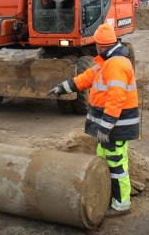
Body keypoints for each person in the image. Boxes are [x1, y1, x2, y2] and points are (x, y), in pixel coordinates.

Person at [48, 23, 139, 216]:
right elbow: (85, 78)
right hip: (110, 126)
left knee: (116, 165)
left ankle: (122, 204)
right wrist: (63, 87)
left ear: (101, 45)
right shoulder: (105, 62)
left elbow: (116, 99)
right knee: (104, 160)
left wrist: (105, 128)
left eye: (96, 44)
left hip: (117, 127)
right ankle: (111, 196)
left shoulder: (116, 64)